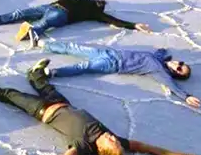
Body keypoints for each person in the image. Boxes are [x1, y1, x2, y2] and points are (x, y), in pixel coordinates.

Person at [0, 61, 201, 155]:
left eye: (112, 143)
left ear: (103, 150)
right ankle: (35, 73)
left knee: (8, 94)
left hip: (41, 110)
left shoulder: (83, 146)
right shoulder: (115, 138)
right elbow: (149, 148)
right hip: (63, 103)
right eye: (116, 141)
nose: (113, 138)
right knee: (45, 86)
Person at [32, 41, 198, 107]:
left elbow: (170, 84)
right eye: (181, 64)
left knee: (83, 66)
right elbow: (159, 53)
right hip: (109, 53)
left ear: (174, 73)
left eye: (179, 69)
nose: (178, 65)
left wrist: (186, 96)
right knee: (75, 48)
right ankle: (43, 44)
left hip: (112, 64)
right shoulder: (159, 59)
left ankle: (52, 73)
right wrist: (163, 50)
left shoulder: (158, 70)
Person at [0, 0, 149, 45]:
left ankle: (30, 32)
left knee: (44, 23)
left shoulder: (94, 12)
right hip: (52, 6)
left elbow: (113, 20)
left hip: (61, 14)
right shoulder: (83, 0)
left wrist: (133, 25)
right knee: (21, 13)